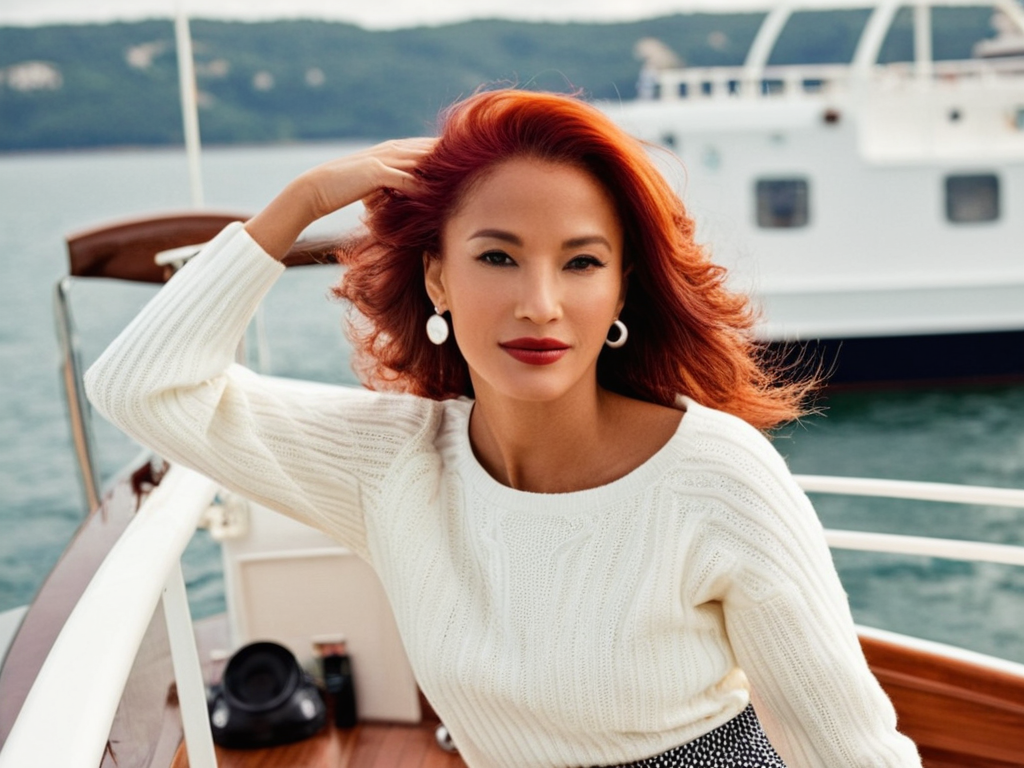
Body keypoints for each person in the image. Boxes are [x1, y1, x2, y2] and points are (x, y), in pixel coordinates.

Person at [85, 89, 921, 767]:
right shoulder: (395, 466)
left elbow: (851, 751)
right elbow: (140, 386)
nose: (540, 304)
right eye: (497, 256)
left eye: (582, 262)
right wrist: (303, 201)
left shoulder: (716, 478)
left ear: (623, 291)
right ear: (437, 278)